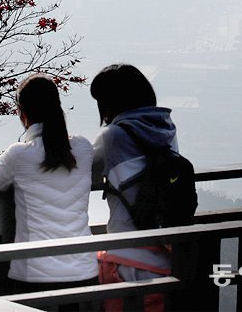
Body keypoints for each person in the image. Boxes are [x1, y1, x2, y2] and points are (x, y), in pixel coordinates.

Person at [0, 74, 99, 310]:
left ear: (22, 112)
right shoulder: (82, 147)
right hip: (83, 269)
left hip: (35, 273)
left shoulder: (19, 154)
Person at [91, 64, 178, 312]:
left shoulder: (113, 137)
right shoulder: (166, 129)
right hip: (168, 253)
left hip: (126, 259)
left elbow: (83, 173)